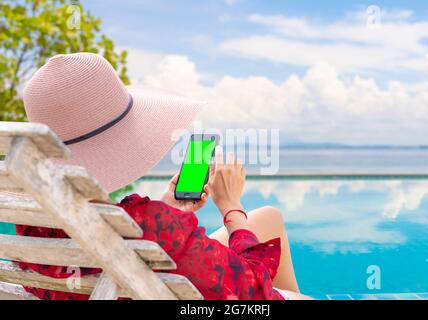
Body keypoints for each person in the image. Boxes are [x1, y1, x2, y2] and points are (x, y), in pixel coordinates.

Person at [16, 52, 309, 300]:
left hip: (122, 272)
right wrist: (232, 207)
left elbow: (126, 242)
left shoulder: (33, 222)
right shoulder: (154, 226)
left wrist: (167, 210)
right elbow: (254, 292)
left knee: (269, 217)